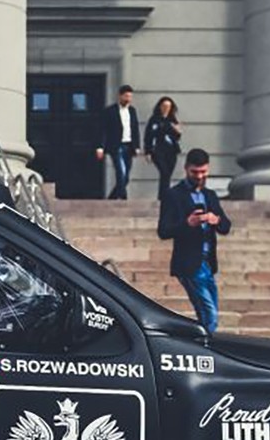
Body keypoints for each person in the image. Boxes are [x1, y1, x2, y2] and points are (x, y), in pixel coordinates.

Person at [157, 148, 231, 334]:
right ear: (186, 169)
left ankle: (201, 345)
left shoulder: (210, 196)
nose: (199, 176)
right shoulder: (174, 195)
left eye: (203, 172)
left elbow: (226, 226)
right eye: (195, 172)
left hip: (207, 263)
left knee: (208, 312)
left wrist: (216, 220)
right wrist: (188, 223)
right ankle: (209, 348)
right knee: (209, 313)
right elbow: (164, 230)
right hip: (188, 263)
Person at [93, 84, 143, 200]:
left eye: (130, 97)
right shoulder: (110, 111)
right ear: (120, 96)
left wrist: (137, 146)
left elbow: (135, 129)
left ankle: (112, 198)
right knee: (121, 172)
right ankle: (123, 198)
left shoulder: (132, 111)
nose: (128, 99)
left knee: (126, 177)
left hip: (129, 145)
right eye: (126, 96)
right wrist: (100, 147)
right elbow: (103, 130)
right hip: (116, 146)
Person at [143, 96, 183, 200]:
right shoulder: (154, 120)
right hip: (158, 150)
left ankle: (164, 195)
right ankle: (164, 196)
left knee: (168, 174)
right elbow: (149, 136)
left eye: (168, 106)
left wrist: (177, 131)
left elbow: (177, 137)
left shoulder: (173, 120)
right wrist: (148, 152)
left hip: (171, 150)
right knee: (164, 172)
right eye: (164, 106)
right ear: (160, 107)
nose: (166, 108)